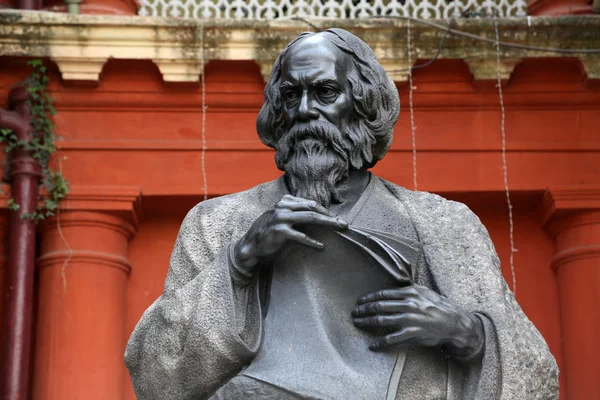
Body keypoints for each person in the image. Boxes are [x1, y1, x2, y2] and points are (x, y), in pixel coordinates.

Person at [125, 28, 558, 400]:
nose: (305, 110)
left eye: (326, 92)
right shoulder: (217, 224)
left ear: (363, 103)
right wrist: (239, 263)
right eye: (290, 95)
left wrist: (466, 332)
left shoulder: (444, 225)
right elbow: (156, 378)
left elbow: (537, 376)